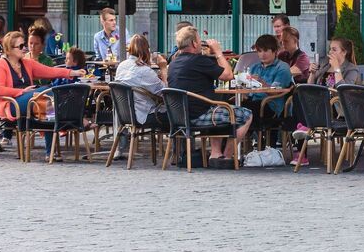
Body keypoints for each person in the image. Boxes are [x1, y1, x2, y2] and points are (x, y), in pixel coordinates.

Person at [166, 26, 251, 168]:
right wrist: (218, 52)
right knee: (247, 115)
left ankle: (215, 154)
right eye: (199, 41)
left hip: (178, 116)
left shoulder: (174, 63)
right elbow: (228, 76)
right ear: (193, 43)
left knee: (216, 106)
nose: (201, 43)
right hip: (199, 115)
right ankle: (226, 157)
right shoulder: (198, 60)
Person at [0, 31, 82, 152]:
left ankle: (50, 152)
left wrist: (72, 72)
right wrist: (21, 92)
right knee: (46, 93)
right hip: (10, 104)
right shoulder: (0, 64)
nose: (24, 48)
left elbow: (49, 71)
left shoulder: (26, 63)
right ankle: (70, 121)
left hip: (30, 100)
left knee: (46, 105)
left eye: (23, 45)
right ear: (9, 49)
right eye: (20, 46)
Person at [115, 34, 167, 125]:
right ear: (147, 50)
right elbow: (165, 93)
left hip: (124, 114)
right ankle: (179, 139)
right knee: (176, 115)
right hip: (143, 115)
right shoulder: (144, 71)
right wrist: (163, 69)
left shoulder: (121, 65)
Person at [248, 34, 294, 119]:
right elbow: (247, 91)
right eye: (259, 51)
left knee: (244, 111)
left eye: (266, 50)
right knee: (229, 106)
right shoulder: (254, 67)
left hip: (270, 106)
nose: (262, 54)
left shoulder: (282, 68)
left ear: (275, 51)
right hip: (254, 101)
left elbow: (276, 91)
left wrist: (260, 82)